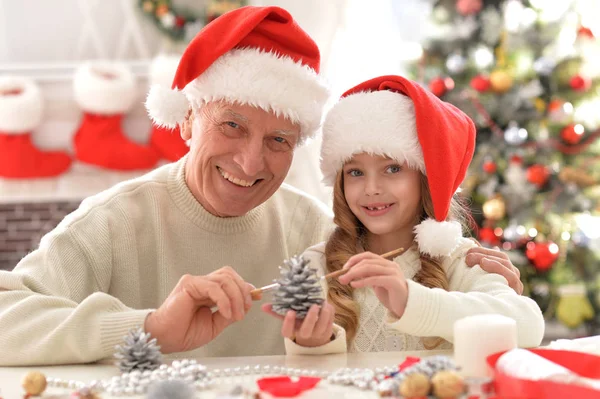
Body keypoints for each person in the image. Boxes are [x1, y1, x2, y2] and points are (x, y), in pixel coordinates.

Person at [0, 8, 521, 366]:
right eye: (231, 125)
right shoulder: (114, 221)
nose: (251, 161)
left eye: (278, 138)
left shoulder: (318, 232)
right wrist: (150, 327)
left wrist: (491, 293)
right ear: (186, 120)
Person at [263, 75, 545, 355]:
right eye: (356, 172)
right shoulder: (318, 265)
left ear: (425, 178)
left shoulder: (459, 259)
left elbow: (529, 326)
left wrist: (412, 301)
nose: (372, 189)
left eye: (393, 168)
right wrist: (312, 346)